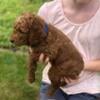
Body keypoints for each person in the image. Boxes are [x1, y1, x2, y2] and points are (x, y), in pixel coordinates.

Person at [37, 0, 100, 100]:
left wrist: (76, 64)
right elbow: (36, 48)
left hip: (88, 89)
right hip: (52, 83)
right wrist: (44, 56)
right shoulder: (49, 10)